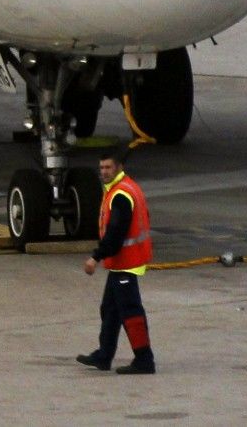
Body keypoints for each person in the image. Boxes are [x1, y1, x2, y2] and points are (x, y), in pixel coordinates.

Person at [77, 151, 155, 374]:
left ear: (119, 167)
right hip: (122, 261)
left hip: (126, 261)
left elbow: (115, 233)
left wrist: (96, 257)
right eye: (101, 168)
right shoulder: (124, 188)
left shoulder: (121, 195)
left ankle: (144, 359)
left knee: (131, 311)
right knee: (110, 309)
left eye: (108, 168)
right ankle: (104, 355)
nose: (103, 172)